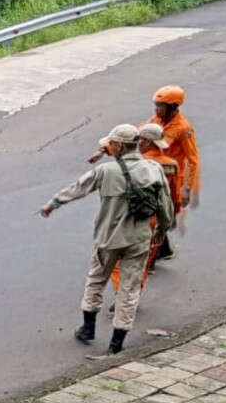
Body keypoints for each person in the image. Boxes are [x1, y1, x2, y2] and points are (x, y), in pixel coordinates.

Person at [39, 124, 174, 354]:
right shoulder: (153, 169)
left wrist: (52, 204)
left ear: (120, 145)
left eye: (112, 143)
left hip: (108, 240)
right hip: (138, 240)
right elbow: (165, 205)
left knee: (96, 280)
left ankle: (88, 329)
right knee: (129, 290)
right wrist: (162, 229)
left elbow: (78, 188)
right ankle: (116, 344)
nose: (110, 147)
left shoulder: (106, 171)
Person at [111, 123, 175, 292]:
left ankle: (122, 293)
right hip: (156, 215)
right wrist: (165, 224)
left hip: (133, 217)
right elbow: (170, 193)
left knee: (120, 259)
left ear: (145, 142)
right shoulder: (169, 163)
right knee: (143, 260)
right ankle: (135, 290)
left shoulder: (141, 164)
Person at [149, 85, 199, 259]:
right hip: (155, 174)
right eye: (156, 105)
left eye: (160, 106)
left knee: (154, 216)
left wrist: (187, 189)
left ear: (172, 107)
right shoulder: (156, 120)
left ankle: (153, 257)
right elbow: (141, 135)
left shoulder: (184, 129)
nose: (156, 109)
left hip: (171, 179)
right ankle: (163, 251)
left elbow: (193, 161)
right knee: (156, 215)